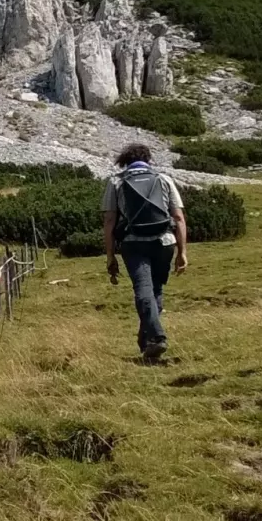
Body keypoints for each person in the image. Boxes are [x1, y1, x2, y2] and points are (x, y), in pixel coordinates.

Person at [101, 143, 188, 361]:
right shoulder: (163, 179)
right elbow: (178, 218)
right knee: (155, 290)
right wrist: (182, 251)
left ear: (124, 161)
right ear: (148, 160)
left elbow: (110, 221)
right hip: (164, 241)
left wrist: (110, 256)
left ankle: (156, 338)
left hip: (133, 242)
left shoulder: (116, 181)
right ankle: (147, 339)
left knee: (143, 289)